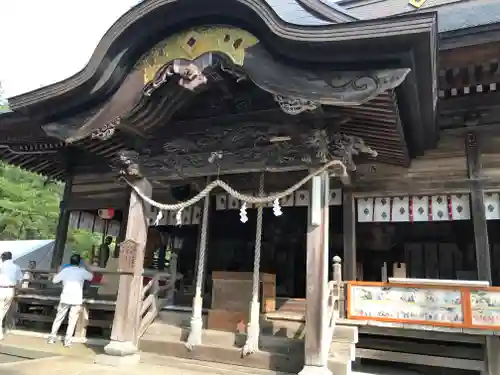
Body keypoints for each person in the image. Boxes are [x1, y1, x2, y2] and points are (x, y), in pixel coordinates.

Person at [47, 254, 93, 347]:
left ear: (70, 261)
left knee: (58, 318)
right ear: (79, 262)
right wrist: (86, 265)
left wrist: (58, 272)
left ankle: (52, 337)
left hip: (65, 297)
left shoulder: (65, 271)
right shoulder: (82, 271)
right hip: (76, 299)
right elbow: (91, 277)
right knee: (72, 321)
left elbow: (54, 280)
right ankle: (67, 341)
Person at [0, 252, 22, 340]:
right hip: (11, 290)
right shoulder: (16, 267)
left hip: (1, 289)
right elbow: (20, 279)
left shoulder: (1, 266)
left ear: (3, 258)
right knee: (3, 312)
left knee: (0, 312)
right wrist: (17, 289)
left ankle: (0, 334)